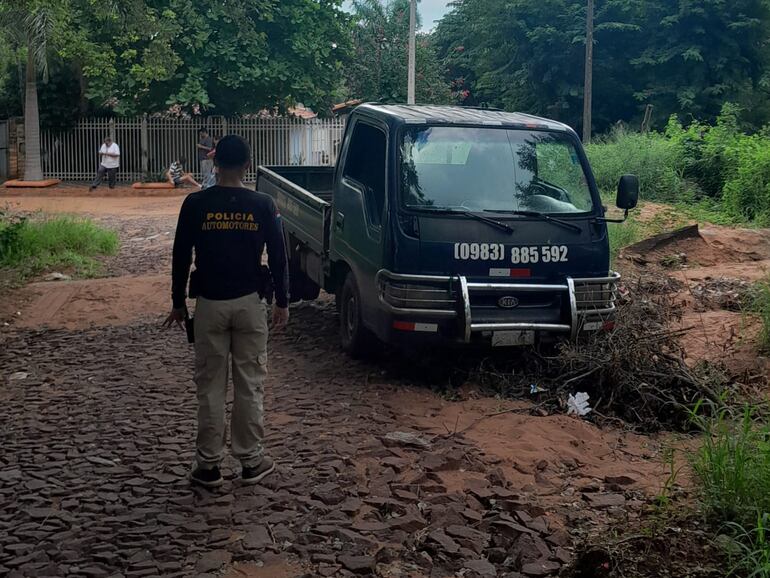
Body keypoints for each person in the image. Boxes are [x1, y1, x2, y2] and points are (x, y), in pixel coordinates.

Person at [163, 135, 290, 488]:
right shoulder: (264, 205)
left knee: (210, 387)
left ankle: (208, 466)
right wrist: (283, 301)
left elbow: (180, 255)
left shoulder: (195, 204)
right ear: (247, 165)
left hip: (209, 307)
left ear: (215, 165)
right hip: (250, 304)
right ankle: (251, 461)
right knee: (250, 385)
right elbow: (279, 257)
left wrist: (177, 302)